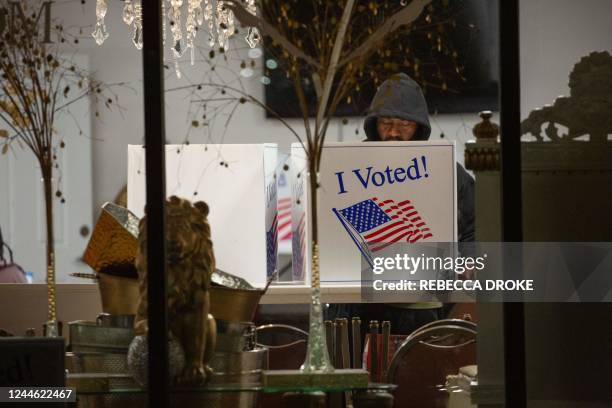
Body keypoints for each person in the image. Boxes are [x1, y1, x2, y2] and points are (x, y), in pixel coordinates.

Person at [325, 73, 475, 335]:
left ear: (419, 126)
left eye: (404, 124)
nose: (393, 132)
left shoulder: (448, 173)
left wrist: (470, 260)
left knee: (415, 373)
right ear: (374, 125)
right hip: (352, 302)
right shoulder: (347, 171)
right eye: (386, 123)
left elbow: (476, 227)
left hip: (417, 303)